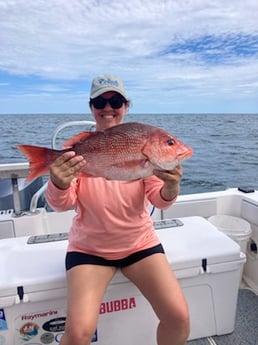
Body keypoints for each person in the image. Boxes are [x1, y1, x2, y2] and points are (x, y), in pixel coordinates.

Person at [46, 74, 190, 345]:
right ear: (91, 107)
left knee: (179, 316)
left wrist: (171, 188)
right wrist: (57, 182)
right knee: (77, 334)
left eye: (116, 101)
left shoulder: (146, 149)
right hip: (89, 250)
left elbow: (158, 200)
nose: (108, 107)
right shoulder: (83, 150)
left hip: (139, 245)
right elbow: (61, 204)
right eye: (100, 101)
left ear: (126, 106)